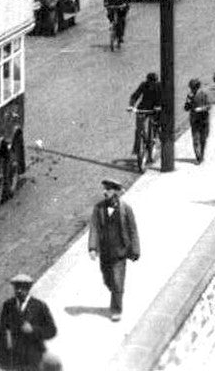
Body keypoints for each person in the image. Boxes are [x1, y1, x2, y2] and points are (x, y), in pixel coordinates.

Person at [88, 179, 140, 321]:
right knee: (107, 280)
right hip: (105, 252)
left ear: (116, 192)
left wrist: (135, 249)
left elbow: (133, 230)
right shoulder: (98, 208)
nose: (105, 192)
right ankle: (116, 294)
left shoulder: (125, 209)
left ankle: (116, 309)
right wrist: (93, 248)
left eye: (109, 190)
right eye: (105, 189)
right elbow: (94, 228)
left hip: (120, 252)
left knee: (117, 281)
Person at [0, 273, 62, 371]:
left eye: (22, 287)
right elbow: (2, 332)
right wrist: (1, 356)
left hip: (36, 357)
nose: (18, 290)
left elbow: (52, 331)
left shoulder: (39, 306)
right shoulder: (8, 306)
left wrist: (33, 329)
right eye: (16, 287)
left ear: (28, 288)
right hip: (16, 358)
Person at [127, 72, 162, 158]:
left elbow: (164, 97)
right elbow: (135, 96)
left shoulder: (160, 86)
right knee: (139, 128)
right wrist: (131, 106)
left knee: (158, 123)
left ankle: (156, 138)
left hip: (155, 108)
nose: (151, 84)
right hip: (143, 108)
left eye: (154, 82)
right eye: (150, 82)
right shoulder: (143, 85)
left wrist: (160, 106)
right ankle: (137, 147)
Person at [184, 78, 211, 164]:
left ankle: (201, 154)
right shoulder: (190, 96)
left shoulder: (204, 94)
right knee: (196, 138)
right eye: (191, 88)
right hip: (196, 120)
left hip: (203, 119)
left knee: (203, 138)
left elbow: (209, 106)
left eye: (193, 88)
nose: (192, 90)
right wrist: (188, 102)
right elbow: (186, 108)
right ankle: (198, 155)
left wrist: (200, 108)